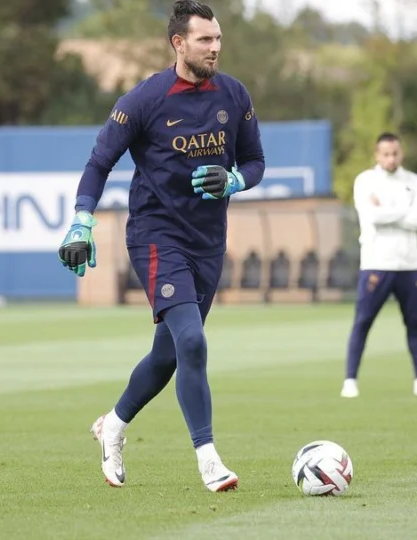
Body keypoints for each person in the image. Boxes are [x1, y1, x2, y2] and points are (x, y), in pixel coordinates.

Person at [56, 0, 265, 492]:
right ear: (178, 42)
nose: (215, 47)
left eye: (217, 39)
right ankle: (209, 459)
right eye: (204, 40)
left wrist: (234, 179)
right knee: (192, 341)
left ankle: (113, 425)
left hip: (209, 244)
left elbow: (255, 161)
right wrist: (81, 222)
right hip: (156, 236)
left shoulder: (234, 95)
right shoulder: (145, 99)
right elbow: (99, 161)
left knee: (168, 356)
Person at [340, 132, 417, 399]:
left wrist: (389, 210)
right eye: (386, 154)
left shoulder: (413, 181)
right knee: (363, 321)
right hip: (377, 263)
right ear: (377, 155)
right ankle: (350, 381)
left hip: (409, 264)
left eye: (395, 153)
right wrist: (404, 209)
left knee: (415, 323)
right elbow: (371, 216)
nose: (391, 158)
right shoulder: (366, 180)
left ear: (401, 153)